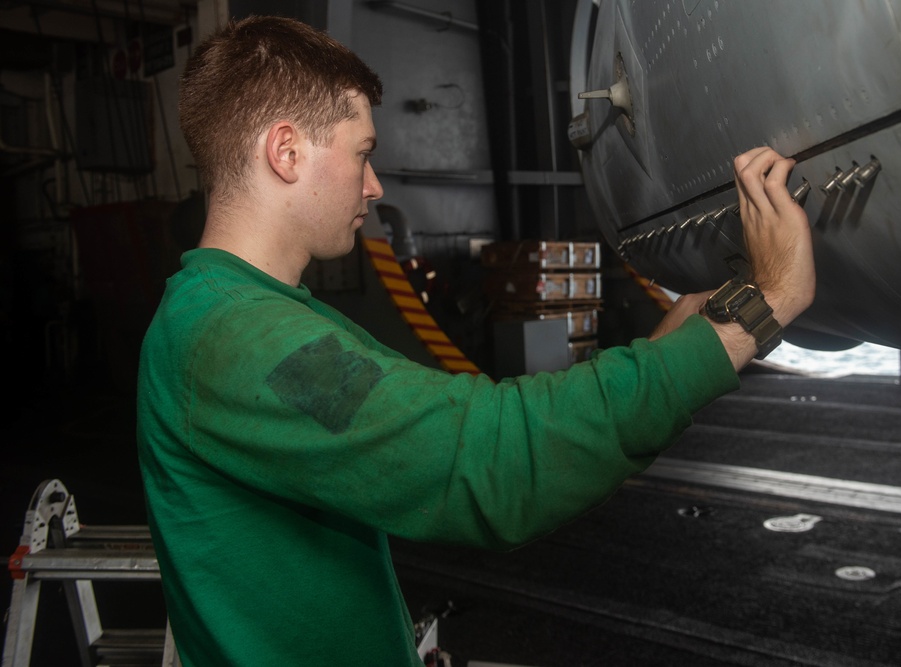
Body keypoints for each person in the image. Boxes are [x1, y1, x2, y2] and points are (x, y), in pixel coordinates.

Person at [136, 15, 815, 667]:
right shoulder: (241, 339)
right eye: (362, 154)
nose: (372, 185)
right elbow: (486, 459)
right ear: (286, 152)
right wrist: (758, 310)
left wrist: (679, 341)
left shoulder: (232, 315)